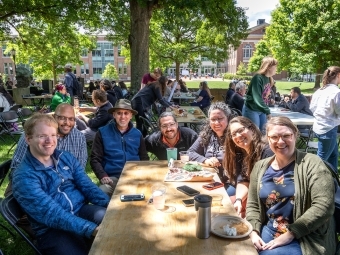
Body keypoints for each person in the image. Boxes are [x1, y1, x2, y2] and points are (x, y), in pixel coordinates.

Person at [12, 114, 109, 255]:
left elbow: (87, 186)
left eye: (53, 135)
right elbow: (52, 214)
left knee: (113, 222)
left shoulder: (65, 157)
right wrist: (91, 229)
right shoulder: (24, 176)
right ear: (28, 139)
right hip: (51, 229)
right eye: (42, 136)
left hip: (79, 210)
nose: (49, 141)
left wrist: (111, 206)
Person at [246, 116, 337, 255]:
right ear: (268, 139)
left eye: (286, 136)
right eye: (274, 137)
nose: (280, 141)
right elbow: (252, 205)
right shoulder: (259, 167)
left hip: (305, 237)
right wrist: (253, 231)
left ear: (295, 135)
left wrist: (291, 233)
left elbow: (324, 206)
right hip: (268, 232)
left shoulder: (313, 164)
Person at [90, 99, 149, 196]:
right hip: (113, 178)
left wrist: (143, 174)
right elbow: (95, 159)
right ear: (114, 115)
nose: (123, 117)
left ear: (131, 116)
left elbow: (144, 157)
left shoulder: (137, 134)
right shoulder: (102, 132)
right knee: (101, 193)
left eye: (126, 113)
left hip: (135, 176)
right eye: (119, 113)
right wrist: (102, 175)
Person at [223, 116, 273, 216]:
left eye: (240, 130)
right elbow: (244, 180)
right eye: (233, 134)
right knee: (225, 205)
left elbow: (268, 188)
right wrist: (239, 200)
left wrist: (249, 209)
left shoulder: (267, 152)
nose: (238, 136)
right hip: (255, 199)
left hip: (268, 204)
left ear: (252, 129)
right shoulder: (243, 154)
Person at [188, 102, 233, 183]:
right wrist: (205, 160)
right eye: (213, 119)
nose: (216, 122)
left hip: (230, 181)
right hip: (210, 179)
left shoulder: (234, 137)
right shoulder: (207, 135)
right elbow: (190, 153)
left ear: (228, 118)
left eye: (220, 118)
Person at [310, 66, 340, 170]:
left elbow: (312, 108)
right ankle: (312, 182)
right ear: (338, 75)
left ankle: (333, 181)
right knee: (321, 161)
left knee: (334, 155)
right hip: (328, 129)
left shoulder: (319, 91)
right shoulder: (336, 92)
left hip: (319, 127)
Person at [242, 56, 278, 132]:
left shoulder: (268, 78)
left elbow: (264, 95)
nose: (276, 69)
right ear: (269, 67)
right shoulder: (258, 78)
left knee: (263, 132)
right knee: (255, 133)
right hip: (252, 109)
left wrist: (269, 100)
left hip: (261, 110)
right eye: (275, 67)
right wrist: (267, 111)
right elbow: (257, 98)